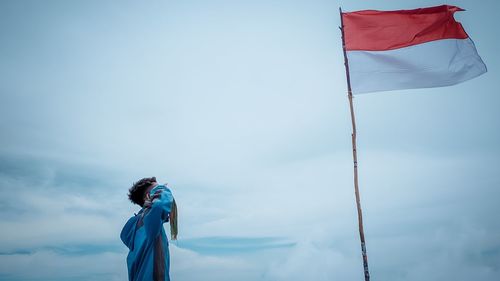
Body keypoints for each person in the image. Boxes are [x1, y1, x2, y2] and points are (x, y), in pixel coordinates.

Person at [121, 177, 178, 281]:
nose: (162, 189)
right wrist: (162, 189)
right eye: (156, 189)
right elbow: (159, 206)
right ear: (148, 196)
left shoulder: (136, 225)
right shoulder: (150, 221)